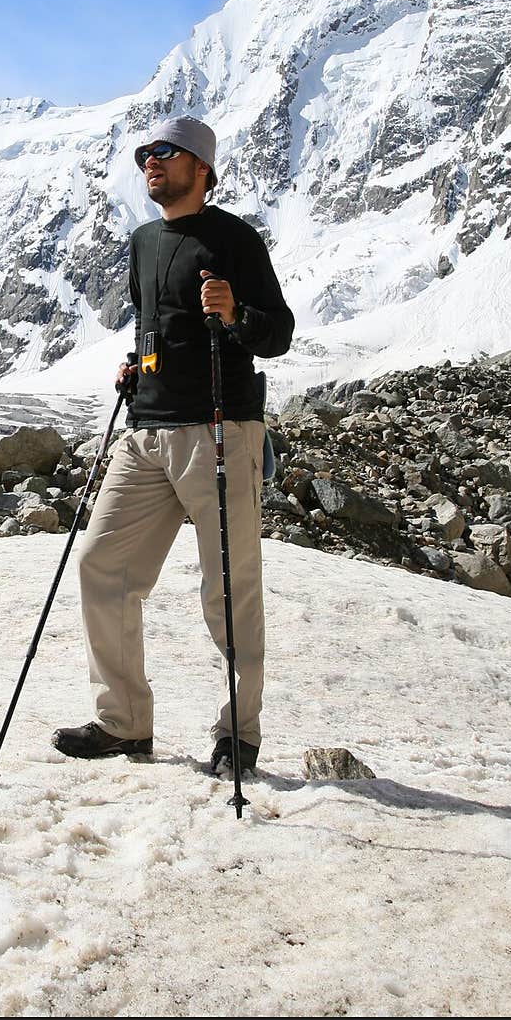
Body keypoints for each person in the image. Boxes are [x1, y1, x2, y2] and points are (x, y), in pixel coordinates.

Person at [51, 116, 295, 776]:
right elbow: (153, 324)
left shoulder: (234, 239)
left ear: (202, 166)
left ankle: (238, 734)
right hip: (147, 431)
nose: (150, 162)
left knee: (228, 589)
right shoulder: (143, 242)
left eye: (164, 152)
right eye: (144, 154)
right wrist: (139, 365)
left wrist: (235, 313)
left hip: (219, 431)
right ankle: (124, 723)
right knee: (102, 565)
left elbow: (277, 332)